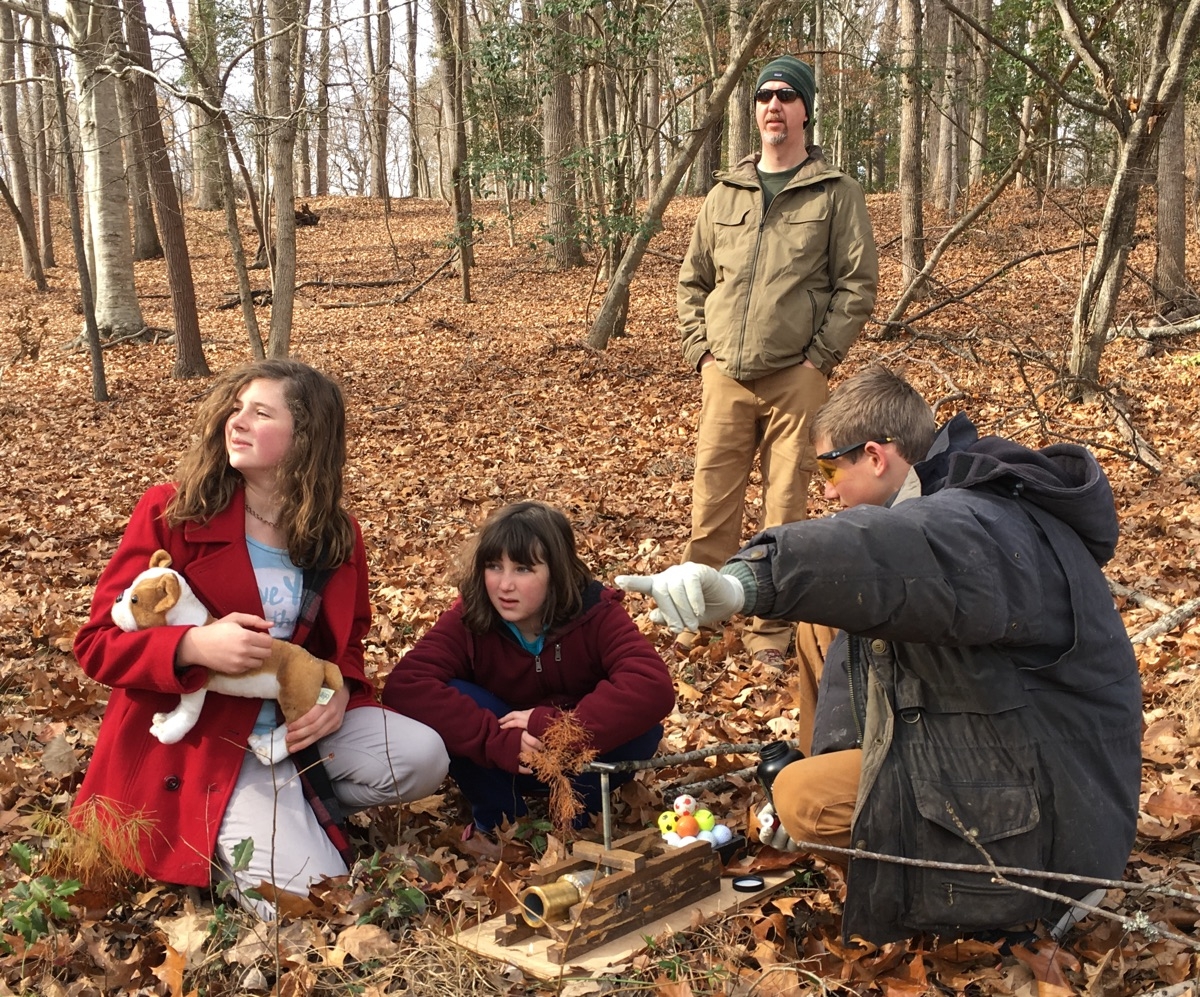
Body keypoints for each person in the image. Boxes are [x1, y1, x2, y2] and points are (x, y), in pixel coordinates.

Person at [617, 366, 1142, 944]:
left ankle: (976, 903)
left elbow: (893, 547)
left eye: (828, 468)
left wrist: (746, 583)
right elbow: (876, 578)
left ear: (874, 455)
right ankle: (845, 793)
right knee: (829, 610)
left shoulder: (978, 519)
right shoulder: (950, 500)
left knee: (804, 800)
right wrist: (838, 757)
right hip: (1007, 737)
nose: (825, 489)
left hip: (1056, 816)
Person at [72, 359, 449, 916]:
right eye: (236, 407)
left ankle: (288, 805)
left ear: (305, 440)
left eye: (260, 412)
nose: (237, 421)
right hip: (208, 742)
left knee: (424, 756)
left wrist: (339, 692)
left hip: (296, 729)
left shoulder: (336, 534)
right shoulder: (171, 512)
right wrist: (192, 648)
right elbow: (97, 642)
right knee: (312, 906)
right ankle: (223, 829)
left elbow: (348, 642)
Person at [676, 54, 879, 667]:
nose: (773, 105)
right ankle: (702, 609)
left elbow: (857, 284)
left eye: (787, 96)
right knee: (711, 500)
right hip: (726, 376)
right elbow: (693, 281)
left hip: (797, 377)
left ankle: (772, 623)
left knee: (785, 504)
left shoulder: (836, 192)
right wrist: (702, 355)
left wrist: (820, 359)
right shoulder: (723, 192)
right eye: (765, 95)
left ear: (806, 112)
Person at [383, 501, 675, 835]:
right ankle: (499, 822)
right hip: (501, 760)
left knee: (644, 728)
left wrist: (556, 728)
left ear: (556, 571)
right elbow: (406, 683)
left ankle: (577, 817)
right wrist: (496, 739)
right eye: (494, 566)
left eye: (523, 569)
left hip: (578, 758)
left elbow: (651, 684)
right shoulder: (471, 615)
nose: (504, 585)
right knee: (457, 696)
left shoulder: (595, 612)